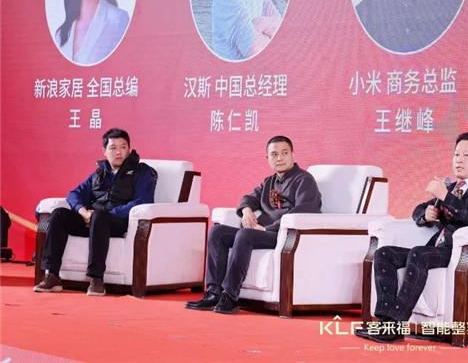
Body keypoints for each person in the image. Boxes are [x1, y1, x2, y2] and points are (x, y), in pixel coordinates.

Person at [356, 132, 468, 343]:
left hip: (464, 253)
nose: (459, 160)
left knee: (419, 253)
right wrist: (425, 215)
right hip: (440, 249)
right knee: (384, 254)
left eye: (466, 155)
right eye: (456, 155)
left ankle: (397, 324)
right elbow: (418, 209)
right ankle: (385, 322)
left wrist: (446, 197)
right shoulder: (454, 187)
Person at [186, 135, 321, 314]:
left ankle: (230, 296)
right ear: (267, 158)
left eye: (284, 153)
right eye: (274, 154)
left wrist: (266, 228)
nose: (279, 158)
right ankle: (214, 293)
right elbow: (249, 198)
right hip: (261, 232)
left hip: (284, 235)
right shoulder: (269, 182)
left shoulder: (304, 180)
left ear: (293, 155)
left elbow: (304, 211)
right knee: (217, 232)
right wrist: (246, 210)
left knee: (245, 234)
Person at [34, 128, 157, 296]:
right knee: (59, 214)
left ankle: (96, 279)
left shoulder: (141, 171)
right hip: (93, 220)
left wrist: (111, 213)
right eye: (113, 148)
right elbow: (74, 194)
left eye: (123, 147)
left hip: (119, 222)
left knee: (100, 217)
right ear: (104, 151)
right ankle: (52, 275)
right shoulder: (100, 173)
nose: (118, 152)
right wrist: (84, 213)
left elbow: (143, 200)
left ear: (129, 149)